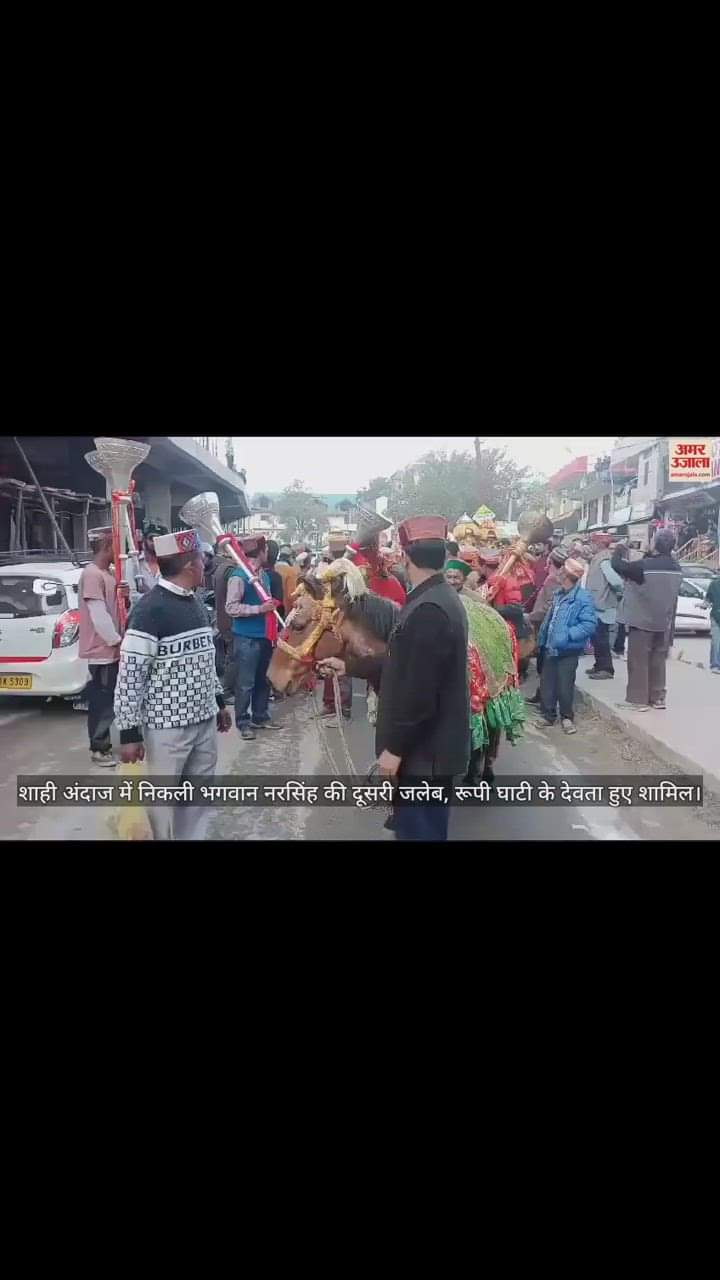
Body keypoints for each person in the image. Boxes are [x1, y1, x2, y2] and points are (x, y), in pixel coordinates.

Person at [114, 529, 232, 838]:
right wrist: (128, 732)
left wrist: (218, 702)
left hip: (204, 722)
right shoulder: (149, 611)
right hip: (167, 728)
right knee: (162, 804)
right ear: (190, 566)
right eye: (201, 561)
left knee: (197, 801)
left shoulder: (194, 604)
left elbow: (205, 660)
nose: (204, 566)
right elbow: (129, 676)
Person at [444, 559, 525, 783]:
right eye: (448, 577)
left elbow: (491, 629)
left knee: (489, 723)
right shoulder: (440, 600)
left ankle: (485, 766)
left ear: (463, 580)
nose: (452, 582)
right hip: (453, 673)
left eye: (456, 578)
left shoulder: (477, 603)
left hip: (483, 673)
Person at [610, 530, 682, 710]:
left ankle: (638, 700)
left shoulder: (643, 566)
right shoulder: (676, 567)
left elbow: (617, 565)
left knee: (639, 660)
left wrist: (619, 549)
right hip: (663, 622)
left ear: (656, 544)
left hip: (642, 621)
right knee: (658, 660)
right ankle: (657, 698)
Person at [225, 534, 282, 740]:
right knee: (245, 682)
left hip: (264, 635)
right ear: (261, 551)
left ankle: (260, 715)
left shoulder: (263, 575)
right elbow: (230, 608)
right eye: (266, 549)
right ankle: (243, 722)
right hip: (246, 637)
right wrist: (259, 608)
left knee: (263, 679)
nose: (268, 553)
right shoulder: (239, 575)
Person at [535, 557, 597, 733]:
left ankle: (567, 717)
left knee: (565, 685)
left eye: (562, 571)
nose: (558, 573)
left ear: (567, 576)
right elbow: (550, 619)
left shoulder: (582, 598)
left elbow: (589, 625)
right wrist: (542, 638)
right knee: (547, 683)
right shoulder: (559, 594)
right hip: (550, 647)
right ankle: (548, 715)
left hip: (567, 649)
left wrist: (567, 636)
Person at [78, 528, 123, 766]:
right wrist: (116, 640)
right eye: (115, 544)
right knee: (103, 702)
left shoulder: (107, 573)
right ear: (107, 545)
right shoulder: (92, 574)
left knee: (109, 699)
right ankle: (99, 747)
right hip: (102, 651)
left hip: (111, 650)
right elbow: (99, 615)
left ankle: (103, 743)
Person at [524, 546, 569, 705]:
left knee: (544, 665)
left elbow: (548, 607)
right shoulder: (560, 578)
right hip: (548, 626)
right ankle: (543, 694)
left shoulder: (553, 580)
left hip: (545, 626)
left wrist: (530, 616)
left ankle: (546, 698)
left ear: (551, 561)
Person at [585, 532, 625, 679]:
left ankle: (606, 669)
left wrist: (619, 594)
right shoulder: (599, 558)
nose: (590, 545)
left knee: (601, 639)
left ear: (600, 544)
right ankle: (599, 665)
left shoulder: (604, 560)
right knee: (597, 638)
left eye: (592, 542)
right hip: (598, 605)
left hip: (603, 607)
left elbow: (616, 582)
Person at [274, 545, 299, 614]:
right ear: (290, 558)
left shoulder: (273, 568)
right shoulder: (290, 571)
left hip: (272, 607)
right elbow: (291, 595)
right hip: (285, 609)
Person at [706, 573, 720, 673]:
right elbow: (708, 600)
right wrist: (703, 605)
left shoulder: (713, 584)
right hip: (716, 616)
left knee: (716, 641)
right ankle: (714, 664)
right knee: (716, 641)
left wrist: (704, 604)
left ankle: (715, 664)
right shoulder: (714, 584)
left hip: (715, 615)